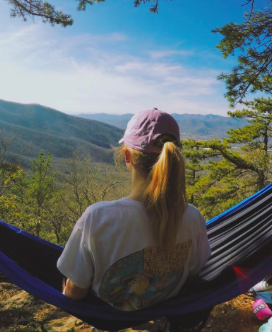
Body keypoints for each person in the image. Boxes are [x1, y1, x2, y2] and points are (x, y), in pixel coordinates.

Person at [57, 108, 212, 331]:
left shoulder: (98, 218)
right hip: (164, 311)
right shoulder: (192, 217)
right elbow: (194, 271)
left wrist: (66, 291)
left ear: (127, 156)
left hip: (110, 318)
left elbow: (76, 292)